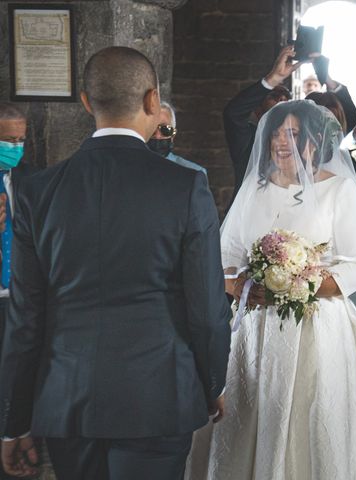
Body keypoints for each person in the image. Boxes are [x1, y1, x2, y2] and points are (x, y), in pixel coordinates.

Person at [0, 46, 231, 480]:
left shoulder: (38, 191)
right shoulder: (186, 187)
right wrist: (212, 380)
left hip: (68, 398)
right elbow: (206, 308)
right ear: (152, 102)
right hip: (159, 395)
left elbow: (25, 318)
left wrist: (13, 422)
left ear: (86, 103)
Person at [186, 100, 356, 479]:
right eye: (277, 133)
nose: (281, 141)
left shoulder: (341, 191)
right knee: (252, 416)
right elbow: (225, 255)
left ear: (312, 143)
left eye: (292, 133)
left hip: (319, 327)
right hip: (255, 327)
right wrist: (241, 281)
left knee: (315, 418)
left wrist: (300, 284)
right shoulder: (255, 189)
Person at [0, 104, 39, 480]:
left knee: (19, 373)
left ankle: (18, 434)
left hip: (22, 296)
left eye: (21, 139)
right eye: (7, 139)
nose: (16, 146)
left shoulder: (31, 179)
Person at [223, 45, 296, 198]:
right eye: (274, 95)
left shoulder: (300, 140)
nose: (282, 99)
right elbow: (233, 113)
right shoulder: (248, 138)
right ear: (257, 111)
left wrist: (323, 71)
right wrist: (273, 79)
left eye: (286, 96)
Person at [148, 101, 208, 175]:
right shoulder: (131, 168)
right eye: (152, 128)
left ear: (173, 135)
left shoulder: (194, 173)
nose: (157, 136)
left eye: (165, 129)